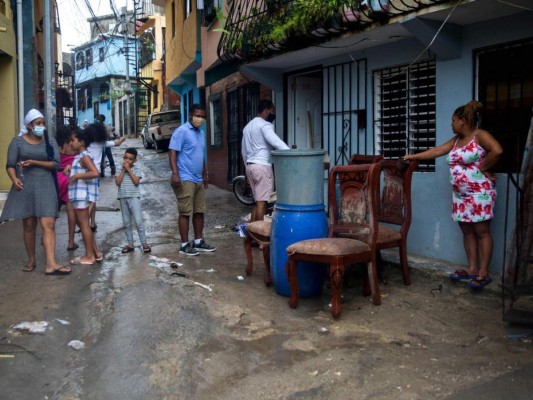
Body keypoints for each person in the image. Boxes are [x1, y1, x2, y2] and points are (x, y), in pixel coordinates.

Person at [403, 100, 503, 289]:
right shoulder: (456, 141)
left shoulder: (480, 135)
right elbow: (438, 150)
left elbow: (497, 151)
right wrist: (413, 156)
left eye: (453, 120)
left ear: (463, 121)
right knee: (467, 231)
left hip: (480, 193)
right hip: (460, 195)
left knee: (482, 232)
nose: (451, 124)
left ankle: (483, 272)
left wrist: (483, 167)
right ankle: (472, 268)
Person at [0, 109, 70, 275]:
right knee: (29, 225)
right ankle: (31, 259)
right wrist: (13, 178)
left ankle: (51, 264)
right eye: (38, 123)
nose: (42, 126)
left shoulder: (49, 141)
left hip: (46, 186)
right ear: (29, 125)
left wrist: (34, 162)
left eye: (43, 123)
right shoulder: (17, 142)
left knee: (49, 224)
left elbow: (55, 164)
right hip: (25, 186)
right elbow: (10, 164)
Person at [169, 103, 216, 256]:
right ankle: (184, 245)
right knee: (185, 212)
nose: (200, 119)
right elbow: (172, 152)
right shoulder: (181, 131)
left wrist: (205, 173)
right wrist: (175, 174)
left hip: (198, 179)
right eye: (197, 115)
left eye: (202, 116)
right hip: (184, 177)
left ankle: (198, 241)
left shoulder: (201, 133)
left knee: (199, 211)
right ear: (190, 115)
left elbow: (200, 155)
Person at [241, 99, 289, 223]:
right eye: (272, 110)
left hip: (250, 166)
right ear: (267, 110)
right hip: (262, 166)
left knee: (258, 202)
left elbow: (243, 151)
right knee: (263, 203)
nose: (273, 113)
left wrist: (246, 169)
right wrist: (291, 153)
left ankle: (251, 235)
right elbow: (275, 142)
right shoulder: (265, 125)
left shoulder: (248, 127)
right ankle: (259, 236)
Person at [65, 128, 103, 265]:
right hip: (79, 196)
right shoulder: (80, 157)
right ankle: (96, 253)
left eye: (73, 141)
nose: (70, 144)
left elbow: (95, 172)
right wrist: (71, 169)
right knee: (84, 225)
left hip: (81, 196)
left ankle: (89, 256)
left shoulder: (84, 156)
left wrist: (77, 175)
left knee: (84, 226)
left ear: (81, 142)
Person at [85, 123, 126, 232]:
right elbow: (116, 143)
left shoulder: (85, 143)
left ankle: (92, 223)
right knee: (93, 199)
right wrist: (122, 139)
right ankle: (85, 222)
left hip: (85, 173)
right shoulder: (101, 143)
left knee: (88, 199)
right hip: (95, 173)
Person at [115, 147, 151, 254]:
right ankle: (130, 244)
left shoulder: (136, 168)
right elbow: (118, 182)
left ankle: (144, 243)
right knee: (126, 222)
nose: (127, 160)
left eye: (130, 159)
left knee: (138, 221)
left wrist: (129, 170)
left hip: (134, 197)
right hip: (122, 197)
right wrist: (123, 170)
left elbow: (136, 182)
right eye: (125, 158)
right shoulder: (119, 168)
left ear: (134, 161)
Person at [55, 125, 79, 251]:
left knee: (52, 211)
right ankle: (70, 242)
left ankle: (45, 237)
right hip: (69, 177)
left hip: (56, 177)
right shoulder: (72, 145)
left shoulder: (55, 146)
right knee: (71, 212)